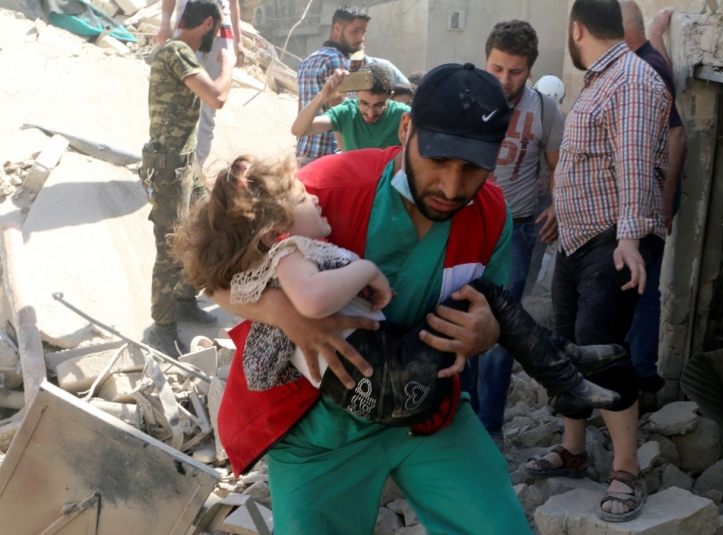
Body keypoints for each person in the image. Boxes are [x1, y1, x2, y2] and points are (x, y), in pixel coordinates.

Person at [207, 62, 530, 535]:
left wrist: (488, 332)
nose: (452, 187)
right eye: (438, 160)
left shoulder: (492, 216)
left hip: (426, 412)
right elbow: (210, 276)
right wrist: (287, 313)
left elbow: (492, 304)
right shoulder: (319, 192)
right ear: (405, 128)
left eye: (472, 168)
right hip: (319, 430)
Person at [173, 155, 623, 420]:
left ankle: (562, 360)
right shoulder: (288, 254)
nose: (312, 196)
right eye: (300, 199)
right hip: (388, 378)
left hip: (378, 382)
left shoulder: (271, 262)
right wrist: (367, 269)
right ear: (276, 230)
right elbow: (310, 300)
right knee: (488, 296)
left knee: (487, 303)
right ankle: (562, 367)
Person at [525, 0, 670, 523]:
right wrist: (562, 211)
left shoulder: (628, 79)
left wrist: (628, 238)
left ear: (576, 28)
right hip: (582, 239)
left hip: (612, 241)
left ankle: (627, 471)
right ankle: (574, 449)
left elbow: (632, 164)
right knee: (569, 349)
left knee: (602, 353)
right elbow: (596, 163)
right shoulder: (603, 78)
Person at [463, 20, 565, 445]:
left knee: (501, 331)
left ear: (530, 69)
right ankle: (457, 419)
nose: (504, 80)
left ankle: (489, 429)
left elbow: (559, 167)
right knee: (455, 321)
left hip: (516, 233)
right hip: (464, 228)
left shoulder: (544, 109)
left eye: (515, 71)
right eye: (497, 68)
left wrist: (558, 204)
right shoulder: (465, 99)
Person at [140, 0, 234, 357]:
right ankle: (161, 327)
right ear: (208, 23)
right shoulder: (178, 50)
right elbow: (217, 96)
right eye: (218, 30)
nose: (217, 40)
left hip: (184, 164)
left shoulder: (181, 53)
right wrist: (228, 66)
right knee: (170, 248)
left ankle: (182, 298)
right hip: (167, 168)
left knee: (205, 228)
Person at [619, 0, 687, 396]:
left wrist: (665, 199)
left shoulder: (643, 66)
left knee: (641, 288)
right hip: (646, 195)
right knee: (634, 283)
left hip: (651, 197)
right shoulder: (647, 55)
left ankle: (641, 377)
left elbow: (678, 134)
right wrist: (659, 36)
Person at [156, 0, 243, 171]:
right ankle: (169, 164)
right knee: (181, 96)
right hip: (190, 19)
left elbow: (234, 3)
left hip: (220, 25)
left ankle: (196, 168)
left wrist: (238, 40)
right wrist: (164, 23)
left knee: (208, 109)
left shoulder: (218, 27)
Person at [296, 6, 370, 166]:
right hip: (327, 159)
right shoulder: (337, 61)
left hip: (302, 155)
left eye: (363, 32)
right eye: (355, 31)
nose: (361, 38)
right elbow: (339, 119)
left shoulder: (308, 61)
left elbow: (301, 114)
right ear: (337, 27)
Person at [292, 63, 409, 152]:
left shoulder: (403, 115)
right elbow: (299, 130)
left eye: (379, 105)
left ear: (390, 96)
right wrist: (323, 96)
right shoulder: (346, 113)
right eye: (364, 103)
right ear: (356, 93)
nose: (370, 113)